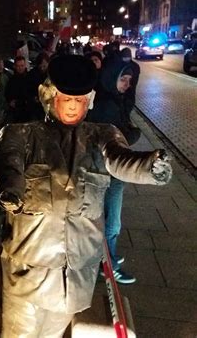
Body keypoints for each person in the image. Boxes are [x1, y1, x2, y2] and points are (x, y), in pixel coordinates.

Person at [0, 54, 172, 337]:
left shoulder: (102, 135)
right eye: (67, 99)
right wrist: (11, 188)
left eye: (80, 100)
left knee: (53, 333)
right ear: (50, 97)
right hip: (29, 271)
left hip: (75, 276)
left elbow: (120, 159)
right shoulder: (24, 134)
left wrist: (149, 166)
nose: (73, 106)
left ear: (88, 100)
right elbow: (9, 162)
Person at [86, 59, 143, 284]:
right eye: (123, 79)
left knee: (106, 217)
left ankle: (105, 259)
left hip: (109, 168)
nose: (127, 84)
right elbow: (113, 140)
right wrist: (133, 135)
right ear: (112, 79)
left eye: (130, 80)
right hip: (110, 169)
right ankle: (107, 265)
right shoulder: (108, 105)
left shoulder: (112, 99)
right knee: (112, 221)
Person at [5, 56, 29, 123]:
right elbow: (7, 93)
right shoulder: (12, 80)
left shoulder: (30, 78)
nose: (20, 68)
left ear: (25, 65)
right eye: (18, 66)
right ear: (15, 66)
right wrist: (10, 101)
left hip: (27, 110)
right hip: (15, 111)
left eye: (22, 65)